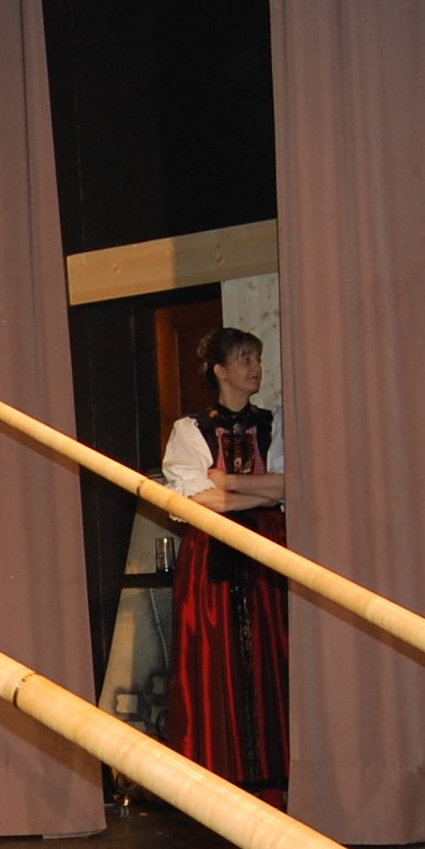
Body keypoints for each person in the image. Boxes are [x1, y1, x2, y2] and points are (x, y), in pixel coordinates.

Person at [159, 325, 289, 801]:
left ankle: (273, 773)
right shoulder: (191, 429)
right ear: (220, 370)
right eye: (244, 359)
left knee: (272, 651)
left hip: (268, 549)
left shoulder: (274, 424)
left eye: (257, 359)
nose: (256, 368)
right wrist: (257, 491)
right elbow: (190, 498)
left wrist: (226, 483)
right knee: (216, 655)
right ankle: (218, 773)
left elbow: (289, 485)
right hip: (212, 553)